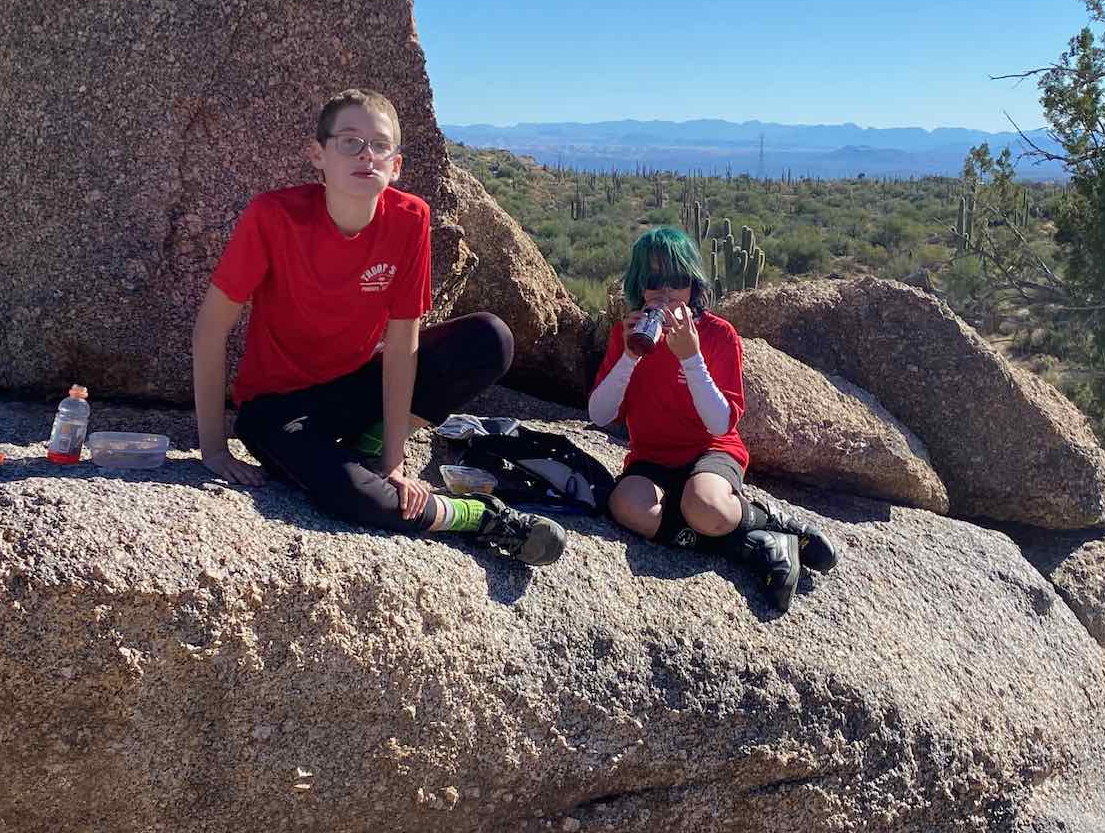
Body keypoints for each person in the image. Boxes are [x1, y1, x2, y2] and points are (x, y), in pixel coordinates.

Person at [192, 88, 566, 566]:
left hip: (354, 389)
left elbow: (403, 341)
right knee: (346, 494)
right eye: (349, 141)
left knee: (489, 338)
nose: (365, 154)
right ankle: (476, 517)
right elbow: (211, 328)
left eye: (379, 145)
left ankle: (370, 449)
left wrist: (393, 460)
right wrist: (212, 448)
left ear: (396, 165)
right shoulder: (274, 218)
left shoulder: (410, 219)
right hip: (277, 407)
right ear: (318, 154)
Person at [588, 227, 836, 610]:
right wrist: (629, 356)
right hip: (652, 459)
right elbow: (599, 414)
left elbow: (721, 424)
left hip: (710, 451)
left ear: (693, 285)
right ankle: (755, 542)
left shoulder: (718, 335)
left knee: (706, 507)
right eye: (654, 283)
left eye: (677, 282)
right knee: (626, 505)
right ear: (640, 286)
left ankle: (761, 517)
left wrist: (691, 356)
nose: (666, 294)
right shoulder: (628, 337)